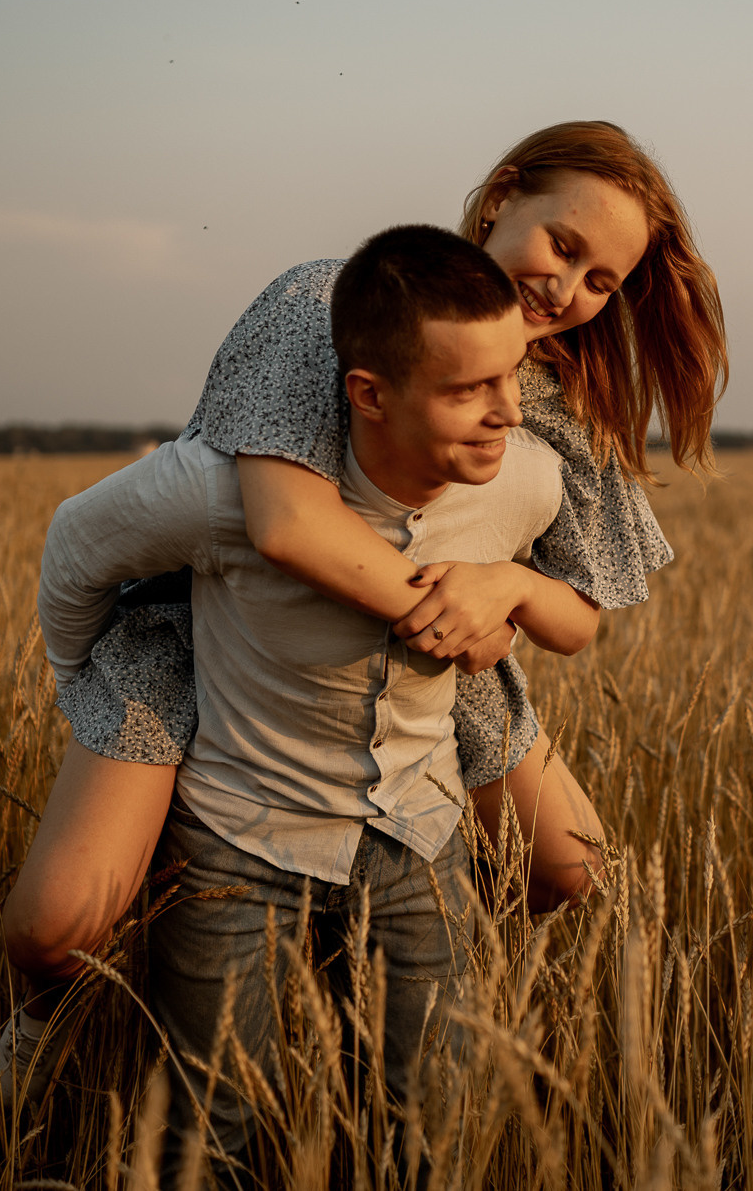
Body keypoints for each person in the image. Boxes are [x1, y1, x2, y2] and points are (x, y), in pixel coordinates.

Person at [0, 121, 726, 1102]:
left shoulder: (555, 401)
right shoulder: (321, 304)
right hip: (219, 628)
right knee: (57, 924)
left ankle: (392, 941)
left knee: (566, 868)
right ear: (503, 193)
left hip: (434, 660)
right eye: (562, 245)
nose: (569, 288)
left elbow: (579, 604)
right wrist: (456, 617)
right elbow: (284, 520)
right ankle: (63, 1003)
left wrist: (503, 592)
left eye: (601, 281)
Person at [34, 226, 600, 1180]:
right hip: (238, 837)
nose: (508, 412)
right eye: (468, 390)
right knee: (214, 1125)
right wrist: (96, 688)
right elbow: (78, 546)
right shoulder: (223, 494)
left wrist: (509, 594)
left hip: (421, 834)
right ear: (368, 394)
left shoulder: (528, 485)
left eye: (514, 377)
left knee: (433, 1119)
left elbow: (572, 613)